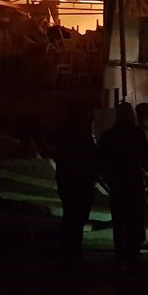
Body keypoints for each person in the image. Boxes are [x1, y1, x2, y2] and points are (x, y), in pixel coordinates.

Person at [97, 103, 148, 270]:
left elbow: (100, 161)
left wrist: (106, 178)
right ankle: (134, 255)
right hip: (134, 182)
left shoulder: (108, 136)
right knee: (135, 220)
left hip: (117, 183)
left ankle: (120, 255)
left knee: (119, 221)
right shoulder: (137, 134)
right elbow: (144, 158)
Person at [53, 109, 98, 269]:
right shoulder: (83, 138)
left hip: (67, 183)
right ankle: (74, 254)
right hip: (80, 184)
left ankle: (66, 253)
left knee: (69, 218)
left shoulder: (64, 137)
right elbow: (93, 160)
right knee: (77, 219)